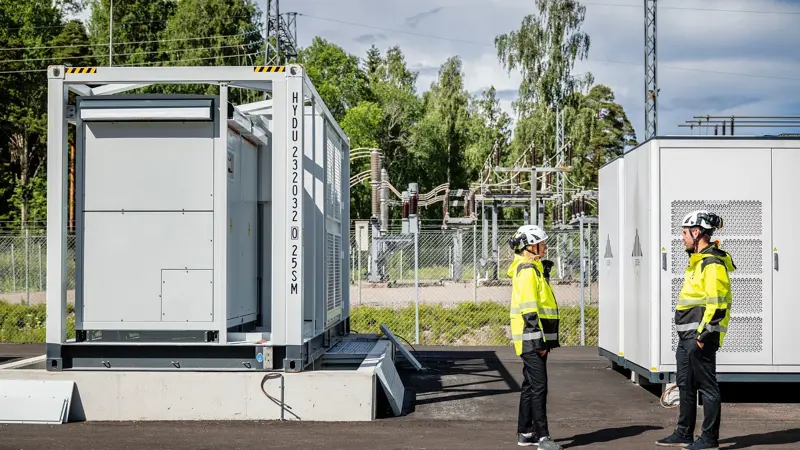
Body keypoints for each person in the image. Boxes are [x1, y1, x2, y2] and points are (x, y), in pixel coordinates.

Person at [656, 210, 735, 450]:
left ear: (697, 232)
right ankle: (684, 433)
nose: (682, 238)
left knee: (707, 387)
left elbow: (718, 303)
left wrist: (703, 337)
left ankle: (709, 438)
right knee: (685, 384)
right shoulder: (697, 261)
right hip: (687, 337)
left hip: (700, 337)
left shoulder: (712, 264)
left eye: (684, 233)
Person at [507, 224, 561, 449]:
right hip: (531, 339)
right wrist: (538, 341)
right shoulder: (527, 271)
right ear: (531, 246)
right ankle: (542, 438)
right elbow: (529, 310)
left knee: (530, 385)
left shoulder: (532, 268)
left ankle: (525, 432)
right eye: (542, 242)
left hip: (532, 338)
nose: (546, 245)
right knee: (540, 387)